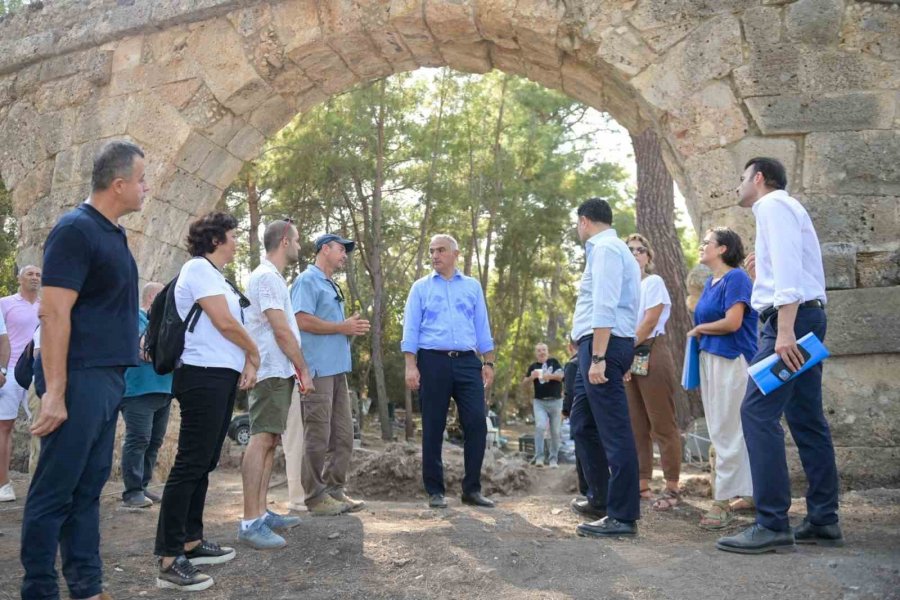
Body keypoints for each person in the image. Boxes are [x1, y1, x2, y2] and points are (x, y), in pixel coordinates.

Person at [20, 141, 145, 600]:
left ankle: (87, 588)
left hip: (110, 377)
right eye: (141, 180)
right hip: (79, 376)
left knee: (88, 489)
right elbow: (52, 313)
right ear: (119, 185)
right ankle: (39, 590)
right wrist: (54, 391)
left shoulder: (113, 234)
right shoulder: (75, 230)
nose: (146, 188)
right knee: (55, 490)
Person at [717, 157, 841, 554]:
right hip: (801, 319)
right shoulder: (784, 209)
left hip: (792, 325)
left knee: (756, 412)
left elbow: (789, 271)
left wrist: (784, 330)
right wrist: (761, 279)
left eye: (740, 179)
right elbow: (789, 270)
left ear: (758, 178)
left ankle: (771, 523)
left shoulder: (771, 205)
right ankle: (823, 519)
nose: (737, 187)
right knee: (806, 418)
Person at [154, 211, 259, 591]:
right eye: (233, 234)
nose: (237, 240)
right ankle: (168, 558)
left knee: (206, 460)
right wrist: (255, 354)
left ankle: (191, 541)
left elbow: (234, 325)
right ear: (216, 239)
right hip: (201, 375)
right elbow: (226, 324)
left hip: (221, 375)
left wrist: (244, 361)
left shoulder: (219, 278)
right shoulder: (197, 269)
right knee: (190, 462)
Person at [402, 234, 496, 509]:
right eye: (431, 251)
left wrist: (488, 362)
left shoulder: (472, 287)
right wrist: (411, 364)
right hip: (432, 361)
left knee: (477, 422)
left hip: (468, 362)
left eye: (441, 250)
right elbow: (411, 328)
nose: (434, 255)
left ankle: (472, 490)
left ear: (455, 254)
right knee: (433, 425)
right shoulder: (420, 288)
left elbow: (482, 326)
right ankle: (435, 491)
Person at [569, 197, 641, 538]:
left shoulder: (607, 249)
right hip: (593, 346)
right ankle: (600, 497)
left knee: (614, 431)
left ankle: (623, 516)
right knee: (583, 424)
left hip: (604, 347)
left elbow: (605, 304)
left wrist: (598, 357)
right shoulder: (604, 250)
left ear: (585, 221)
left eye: (577, 224)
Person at [239, 220, 314, 549]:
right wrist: (303, 369)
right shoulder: (267, 277)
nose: (299, 245)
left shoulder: (272, 277)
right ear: (285, 241)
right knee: (261, 439)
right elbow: (281, 330)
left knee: (269, 440)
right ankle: (250, 521)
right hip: (270, 370)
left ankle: (260, 512)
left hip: (276, 371)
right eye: (296, 240)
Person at [290, 233, 369, 516]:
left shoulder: (331, 284)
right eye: (341, 249)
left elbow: (334, 326)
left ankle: (335, 490)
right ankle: (314, 496)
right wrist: (341, 328)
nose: (345, 255)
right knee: (318, 435)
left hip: (338, 371)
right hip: (317, 370)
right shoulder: (307, 280)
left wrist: (349, 329)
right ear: (325, 249)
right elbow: (299, 319)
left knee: (344, 436)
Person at [688, 227, 757, 529]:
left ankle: (722, 502)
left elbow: (733, 322)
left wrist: (700, 330)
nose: (702, 246)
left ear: (723, 249)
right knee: (723, 428)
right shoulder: (709, 282)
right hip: (711, 361)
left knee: (728, 430)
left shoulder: (737, 278)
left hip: (733, 360)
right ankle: (752, 493)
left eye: (707, 243)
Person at [622, 233, 682, 511]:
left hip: (651, 351)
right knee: (636, 424)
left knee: (662, 422)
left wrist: (624, 350)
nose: (635, 253)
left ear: (648, 257)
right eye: (629, 249)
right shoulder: (621, 288)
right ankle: (641, 483)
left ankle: (671, 485)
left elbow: (649, 321)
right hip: (626, 357)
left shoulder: (653, 283)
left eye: (640, 249)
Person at [119, 282, 173, 509]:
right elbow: (146, 352)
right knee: (138, 438)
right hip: (138, 390)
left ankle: (142, 485)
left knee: (154, 441)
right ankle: (132, 492)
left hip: (164, 390)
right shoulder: (134, 318)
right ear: (154, 298)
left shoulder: (161, 323)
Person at [0, 265, 40, 502]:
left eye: (38, 275)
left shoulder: (45, 306)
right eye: (30, 274)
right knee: (5, 427)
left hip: (36, 372)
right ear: (19, 278)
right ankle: (3, 483)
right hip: (11, 372)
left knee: (42, 425)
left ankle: (39, 481)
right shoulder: (5, 303)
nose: (34, 278)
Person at [522, 343, 564, 468]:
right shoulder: (533, 367)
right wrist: (531, 377)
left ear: (548, 351)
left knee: (555, 432)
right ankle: (539, 458)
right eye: (539, 350)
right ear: (536, 353)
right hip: (539, 402)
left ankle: (553, 460)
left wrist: (548, 376)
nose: (541, 352)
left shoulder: (554, 362)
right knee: (540, 427)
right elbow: (524, 383)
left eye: (544, 350)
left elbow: (561, 376)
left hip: (556, 402)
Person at [562, 339, 588, 499]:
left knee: (582, 452)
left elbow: (570, 392)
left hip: (580, 413)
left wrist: (565, 411)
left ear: (570, 347)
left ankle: (585, 490)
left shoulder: (572, 365)